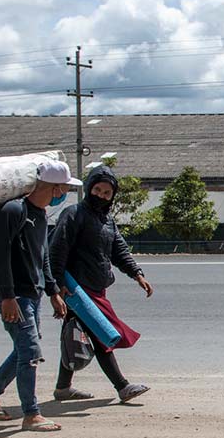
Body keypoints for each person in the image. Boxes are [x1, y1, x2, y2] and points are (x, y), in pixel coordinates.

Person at [0, 159, 73, 430]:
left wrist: (53, 291)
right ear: (52, 187)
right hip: (13, 295)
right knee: (30, 351)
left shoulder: (40, 215)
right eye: (63, 188)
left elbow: (43, 257)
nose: (63, 194)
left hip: (33, 294)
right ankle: (31, 414)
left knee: (24, 349)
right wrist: (7, 296)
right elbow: (0, 254)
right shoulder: (12, 211)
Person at [47, 164, 153, 402]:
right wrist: (57, 285)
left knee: (76, 335)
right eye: (97, 190)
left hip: (97, 287)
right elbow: (57, 250)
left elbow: (119, 251)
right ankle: (122, 386)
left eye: (107, 193)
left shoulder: (107, 221)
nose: (101, 196)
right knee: (101, 334)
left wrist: (137, 274)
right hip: (75, 288)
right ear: (88, 189)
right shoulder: (73, 214)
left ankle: (63, 387)